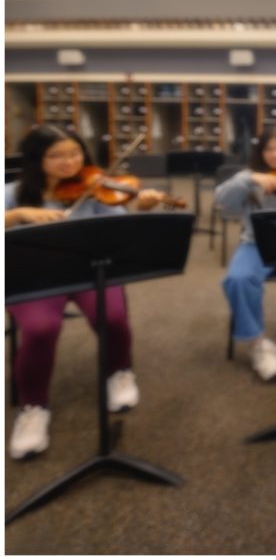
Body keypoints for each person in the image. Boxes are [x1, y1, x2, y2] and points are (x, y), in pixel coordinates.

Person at [5, 124, 166, 459]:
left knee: (114, 317)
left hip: (89, 270)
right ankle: (33, 407)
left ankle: (118, 372)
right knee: (39, 329)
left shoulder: (95, 188)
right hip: (35, 276)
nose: (69, 163)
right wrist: (17, 215)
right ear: (37, 160)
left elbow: (122, 230)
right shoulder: (13, 193)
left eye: (75, 153)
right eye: (56, 156)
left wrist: (143, 208)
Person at [216, 127, 276, 384]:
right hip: (255, 244)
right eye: (269, 149)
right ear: (261, 153)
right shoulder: (250, 178)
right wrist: (250, 179)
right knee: (237, 279)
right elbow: (222, 201)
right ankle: (258, 344)